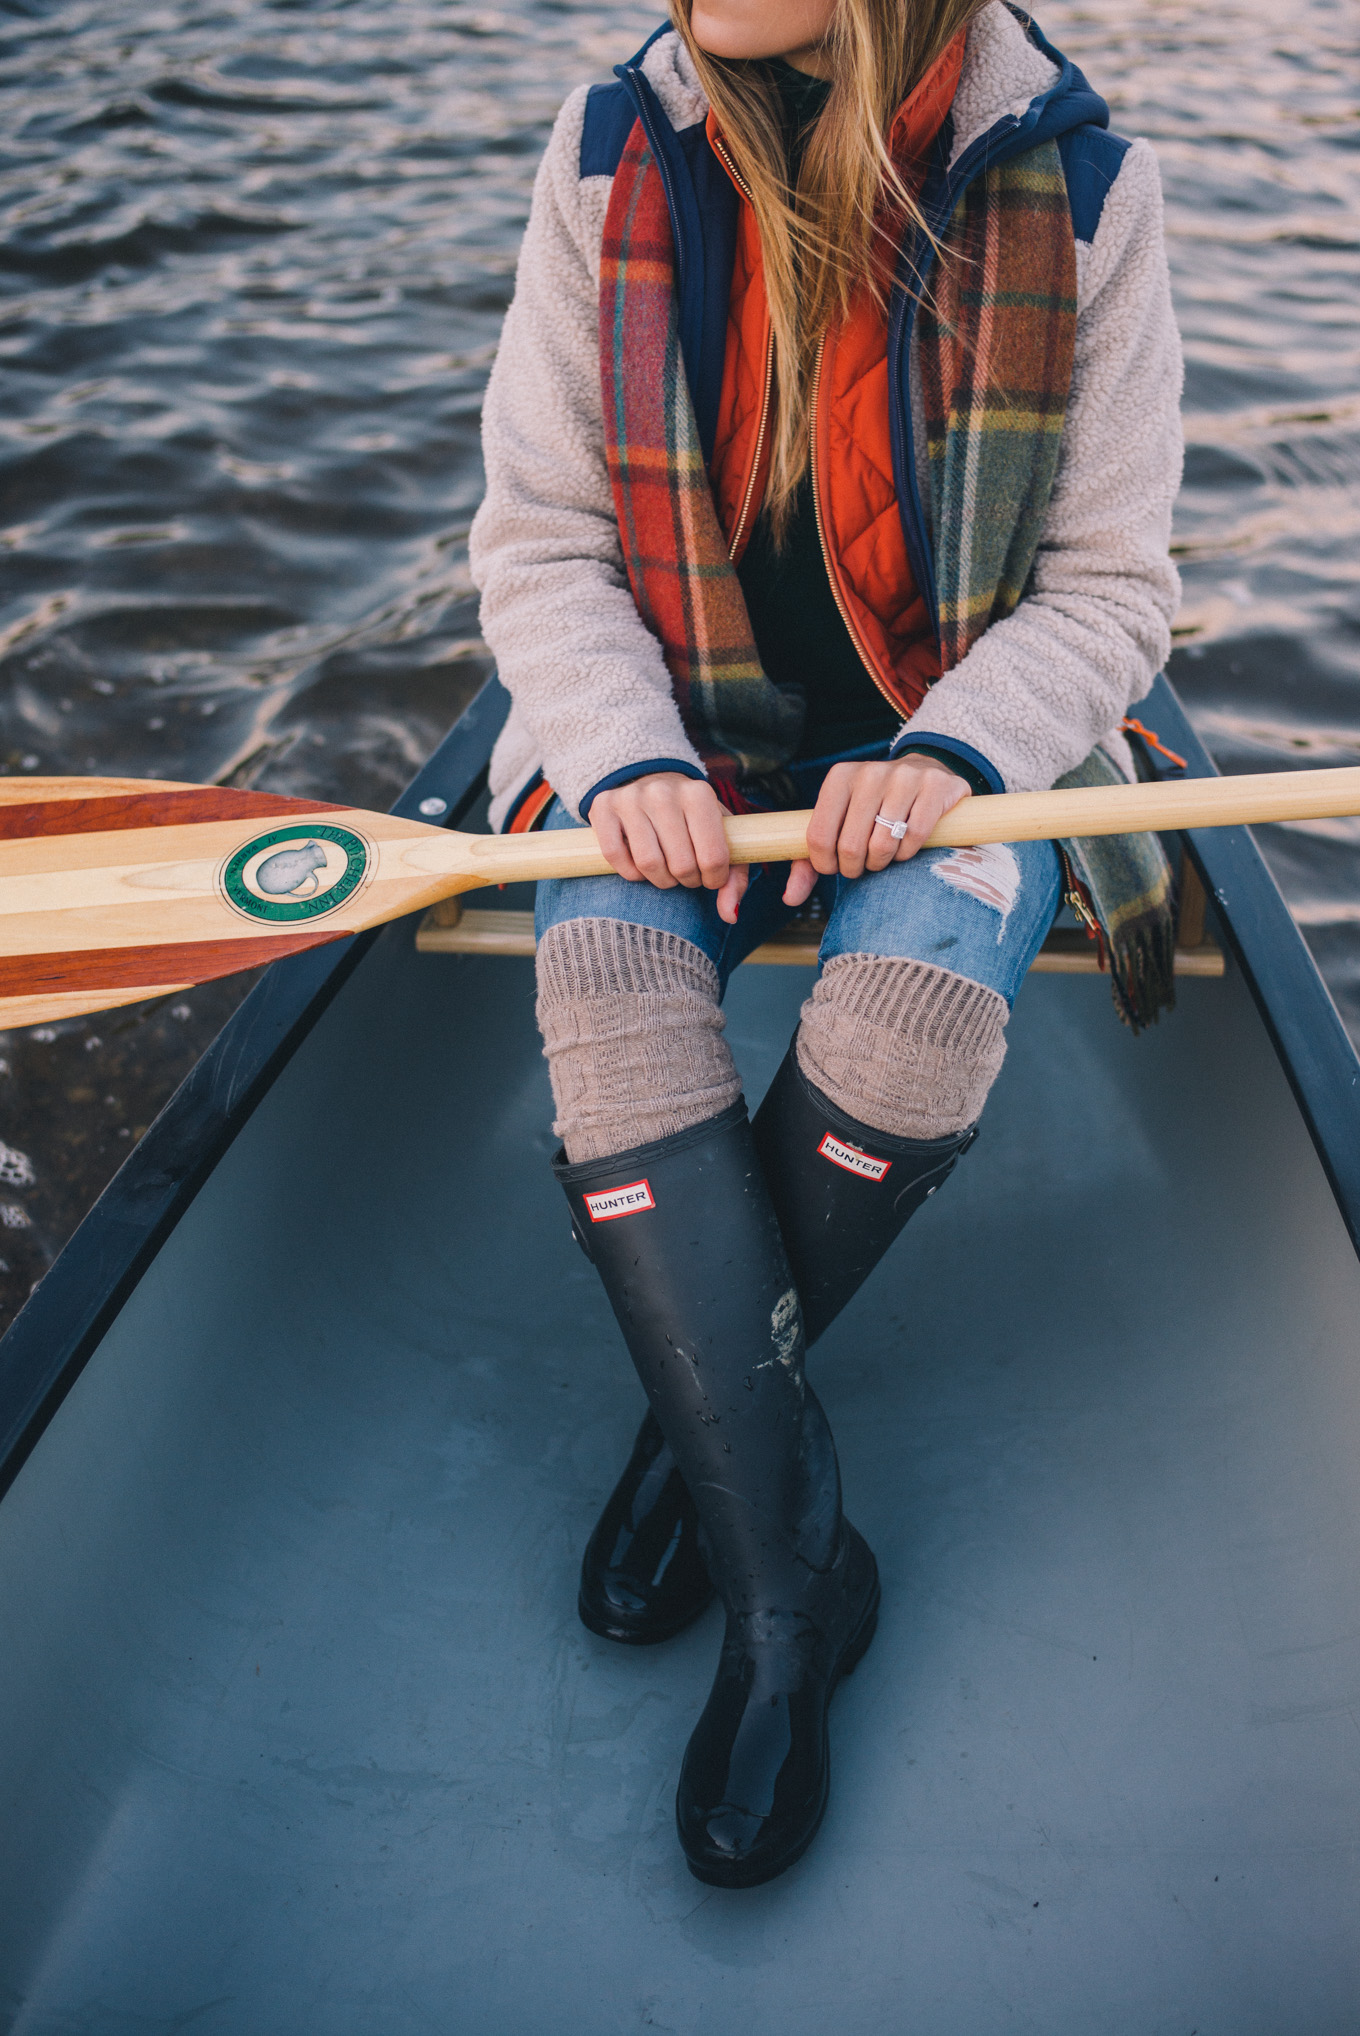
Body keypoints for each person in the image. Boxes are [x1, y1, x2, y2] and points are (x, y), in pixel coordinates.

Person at [469, 0, 1182, 1888]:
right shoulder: (609, 150)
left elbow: (1111, 590)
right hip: (668, 732)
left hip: (956, 741)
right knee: (605, 990)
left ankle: (697, 1439)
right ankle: (795, 1579)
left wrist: (952, 752)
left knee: (907, 1023)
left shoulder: (1085, 189)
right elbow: (542, 545)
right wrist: (625, 757)